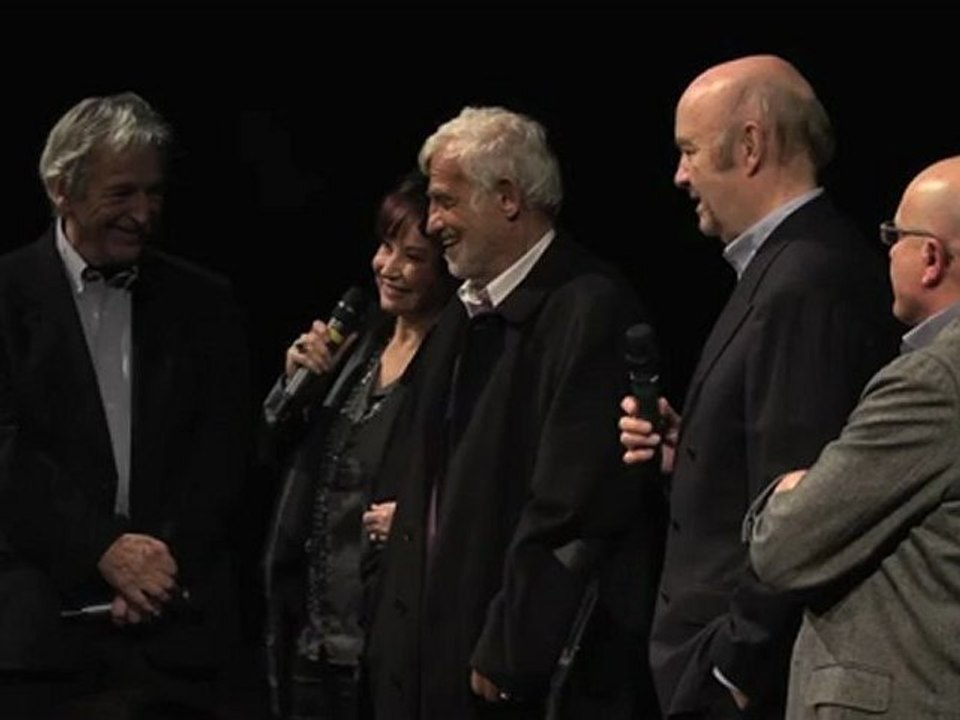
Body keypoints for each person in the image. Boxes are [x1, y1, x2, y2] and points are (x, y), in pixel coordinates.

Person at [618, 55, 900, 719]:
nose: (680, 175)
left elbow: (806, 514)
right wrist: (688, 457)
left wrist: (731, 675)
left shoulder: (808, 280)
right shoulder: (785, 270)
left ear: (749, 146)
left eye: (689, 150)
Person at [367, 106, 661, 720]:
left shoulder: (588, 309)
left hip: (501, 677)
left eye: (446, 201)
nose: (433, 221)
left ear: (506, 198)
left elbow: (575, 503)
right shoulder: (463, 313)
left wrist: (513, 648)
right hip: (426, 661)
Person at [0, 92, 250, 718]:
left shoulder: (204, 301)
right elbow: (6, 453)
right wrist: (103, 550)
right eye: (122, 194)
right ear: (62, 188)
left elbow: (224, 451)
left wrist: (158, 569)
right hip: (38, 643)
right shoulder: (5, 295)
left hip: (176, 642)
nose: (144, 213)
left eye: (154, 193)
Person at [747, 156, 960, 719]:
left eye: (895, 236)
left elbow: (786, 547)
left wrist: (787, 493)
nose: (887, 249)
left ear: (932, 258)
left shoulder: (934, 383)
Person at [260, 170, 456, 720]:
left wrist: (418, 518)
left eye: (412, 256)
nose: (387, 267)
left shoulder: (455, 363)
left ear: (446, 267)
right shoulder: (356, 346)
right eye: (385, 246)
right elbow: (270, 455)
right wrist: (293, 386)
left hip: (385, 643)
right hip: (312, 636)